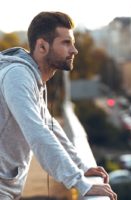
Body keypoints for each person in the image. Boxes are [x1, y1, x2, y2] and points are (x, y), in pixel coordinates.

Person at [0, 11, 117, 200]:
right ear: (42, 46)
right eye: (66, 43)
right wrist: (79, 183)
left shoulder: (31, 78)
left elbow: (49, 126)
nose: (74, 50)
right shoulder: (17, 76)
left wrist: (81, 166)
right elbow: (38, 133)